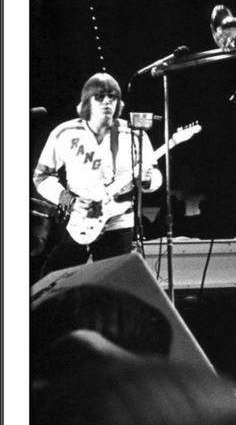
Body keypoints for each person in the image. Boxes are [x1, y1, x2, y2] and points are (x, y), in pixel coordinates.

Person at [33, 72, 163, 275]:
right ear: (87, 101)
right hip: (77, 220)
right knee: (55, 282)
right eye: (99, 97)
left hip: (119, 221)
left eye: (112, 97)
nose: (107, 102)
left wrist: (148, 180)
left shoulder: (134, 133)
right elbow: (41, 176)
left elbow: (154, 176)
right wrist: (71, 201)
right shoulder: (65, 133)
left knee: (113, 287)